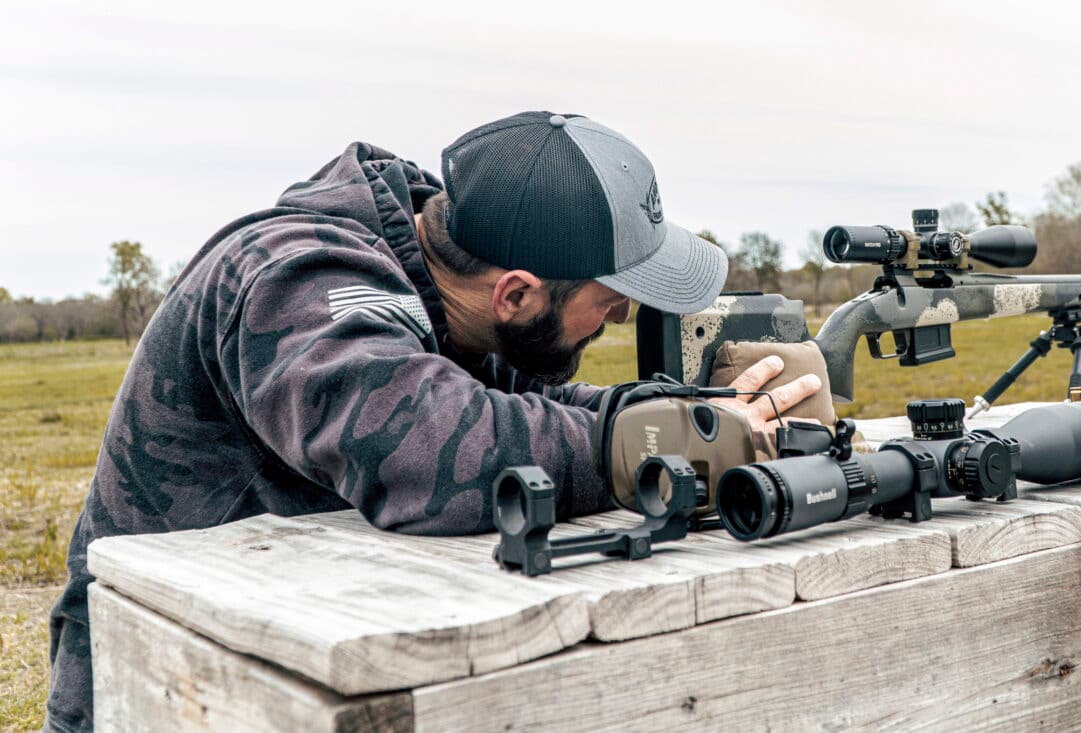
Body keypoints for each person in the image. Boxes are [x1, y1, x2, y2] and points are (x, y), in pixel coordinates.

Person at [44, 111, 821, 732]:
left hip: (312, 643)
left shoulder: (456, 282)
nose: (622, 315)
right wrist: (650, 447)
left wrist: (698, 421)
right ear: (515, 294)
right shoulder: (299, 276)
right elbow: (424, 447)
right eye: (611, 296)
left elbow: (534, 413)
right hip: (162, 675)